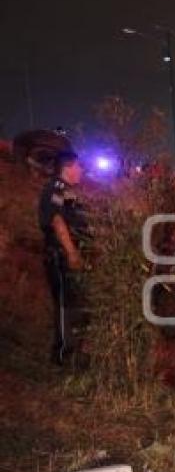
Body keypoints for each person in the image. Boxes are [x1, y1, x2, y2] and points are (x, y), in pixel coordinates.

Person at [38, 151, 88, 366]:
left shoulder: (69, 193)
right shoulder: (55, 188)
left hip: (69, 256)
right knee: (64, 305)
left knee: (73, 303)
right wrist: (71, 252)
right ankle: (62, 355)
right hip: (60, 257)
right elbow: (57, 220)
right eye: (79, 166)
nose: (82, 171)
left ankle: (73, 350)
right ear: (68, 167)